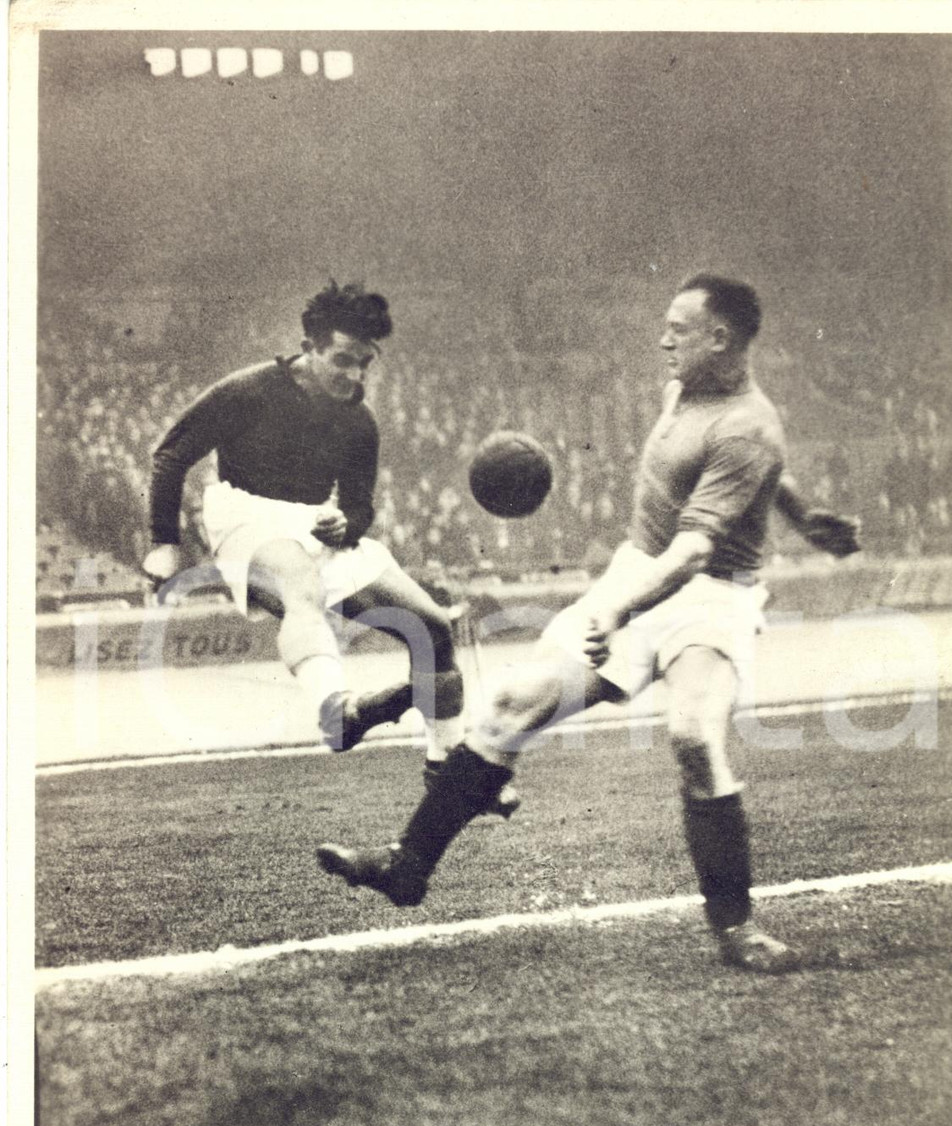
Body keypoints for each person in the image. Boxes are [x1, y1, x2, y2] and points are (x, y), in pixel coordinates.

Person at [317, 274, 860, 972]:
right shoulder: (685, 391)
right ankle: (407, 864)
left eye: (679, 328)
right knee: (511, 707)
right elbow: (754, 471)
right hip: (639, 574)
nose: (664, 338)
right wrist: (804, 514)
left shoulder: (750, 426)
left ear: (720, 338)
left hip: (709, 598)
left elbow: (698, 547)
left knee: (695, 737)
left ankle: (737, 928)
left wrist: (616, 608)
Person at [142, 279, 516, 806]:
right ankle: (335, 711)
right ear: (310, 347)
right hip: (246, 515)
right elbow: (170, 454)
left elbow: (360, 504)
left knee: (431, 626)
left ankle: (448, 773)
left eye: (364, 363)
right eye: (343, 360)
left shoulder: (359, 421)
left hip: (313, 524)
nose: (355, 375)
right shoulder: (249, 390)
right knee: (302, 590)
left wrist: (350, 525)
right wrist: (164, 541)